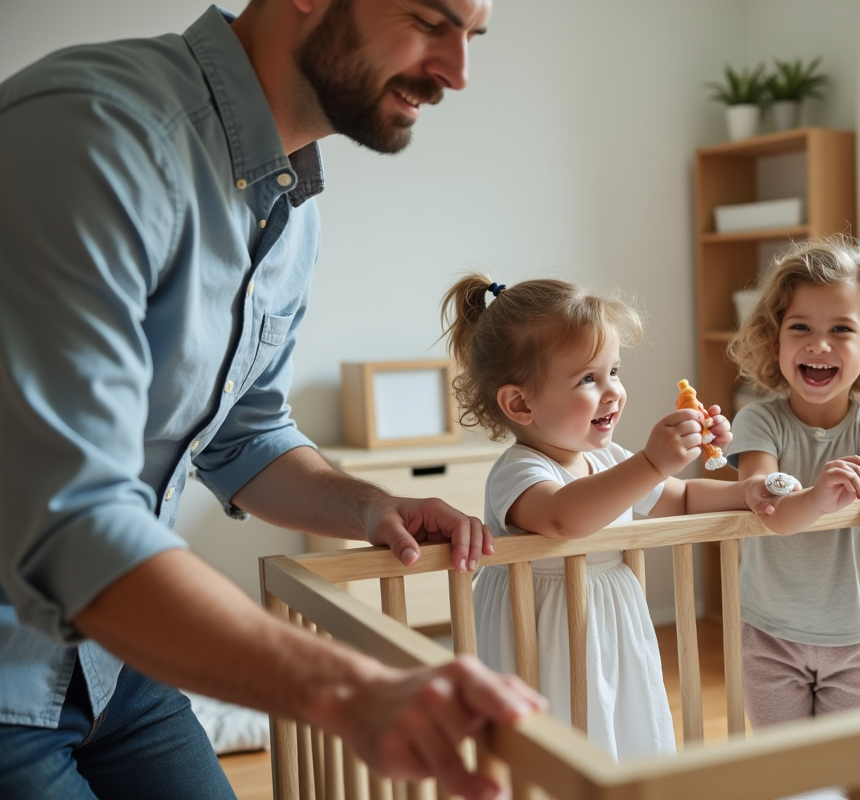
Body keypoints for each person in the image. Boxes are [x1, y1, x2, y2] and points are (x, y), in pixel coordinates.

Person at [0, 1, 546, 799]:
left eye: (472, 36)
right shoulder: (95, 135)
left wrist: (370, 505)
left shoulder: (290, 213)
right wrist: (352, 690)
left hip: (118, 667)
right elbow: (67, 520)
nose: (457, 73)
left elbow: (243, 435)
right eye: (430, 20)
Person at [440, 275, 781, 760]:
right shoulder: (520, 470)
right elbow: (563, 518)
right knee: (558, 737)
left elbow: (681, 498)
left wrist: (743, 491)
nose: (613, 392)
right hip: (539, 630)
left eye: (614, 371)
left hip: (610, 621)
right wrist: (651, 463)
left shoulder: (608, 459)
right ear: (520, 403)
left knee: (621, 721)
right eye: (588, 379)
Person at [725, 236, 860, 729]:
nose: (819, 345)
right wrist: (817, 495)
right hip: (770, 634)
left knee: (856, 764)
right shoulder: (758, 420)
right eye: (800, 327)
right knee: (786, 764)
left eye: (841, 329)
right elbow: (765, 504)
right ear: (775, 341)